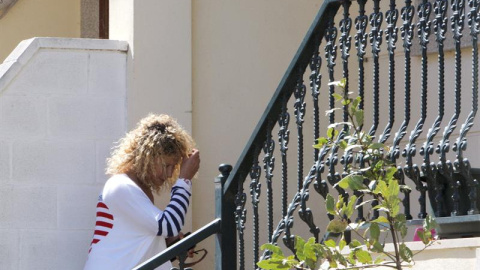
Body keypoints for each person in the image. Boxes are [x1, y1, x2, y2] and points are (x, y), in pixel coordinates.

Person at [84, 114, 200, 270]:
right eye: (166, 166)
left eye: (174, 167)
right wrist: (184, 181)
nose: (170, 174)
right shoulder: (121, 186)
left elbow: (136, 242)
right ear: (148, 157)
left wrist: (170, 244)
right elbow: (169, 225)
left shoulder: (135, 189)